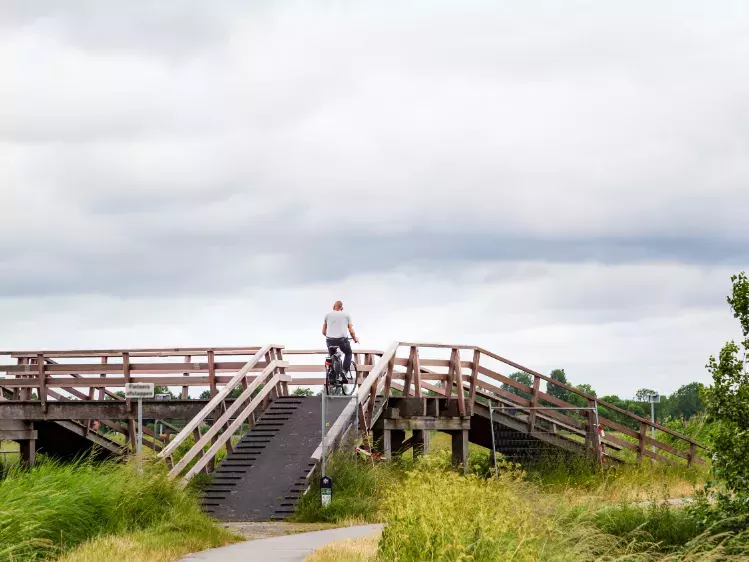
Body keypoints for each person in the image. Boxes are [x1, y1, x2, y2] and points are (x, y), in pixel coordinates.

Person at [322, 301, 359, 375]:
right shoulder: (346, 315)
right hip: (342, 341)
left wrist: (331, 336)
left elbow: (323, 331)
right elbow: (351, 331)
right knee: (348, 353)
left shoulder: (327, 315)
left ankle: (331, 374)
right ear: (341, 308)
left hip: (330, 341)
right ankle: (344, 371)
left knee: (332, 356)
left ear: (333, 306)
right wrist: (355, 339)